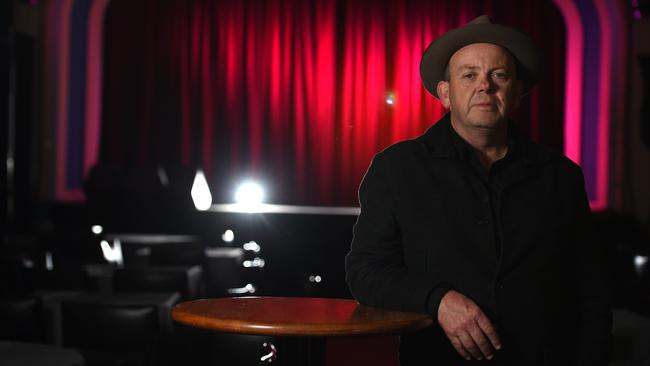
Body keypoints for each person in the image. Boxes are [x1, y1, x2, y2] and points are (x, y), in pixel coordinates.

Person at [345, 15, 612, 365]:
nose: (484, 86)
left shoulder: (561, 176)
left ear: (517, 91)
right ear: (445, 93)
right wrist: (438, 299)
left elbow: (590, 286)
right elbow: (365, 272)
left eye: (498, 75)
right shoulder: (396, 169)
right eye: (469, 75)